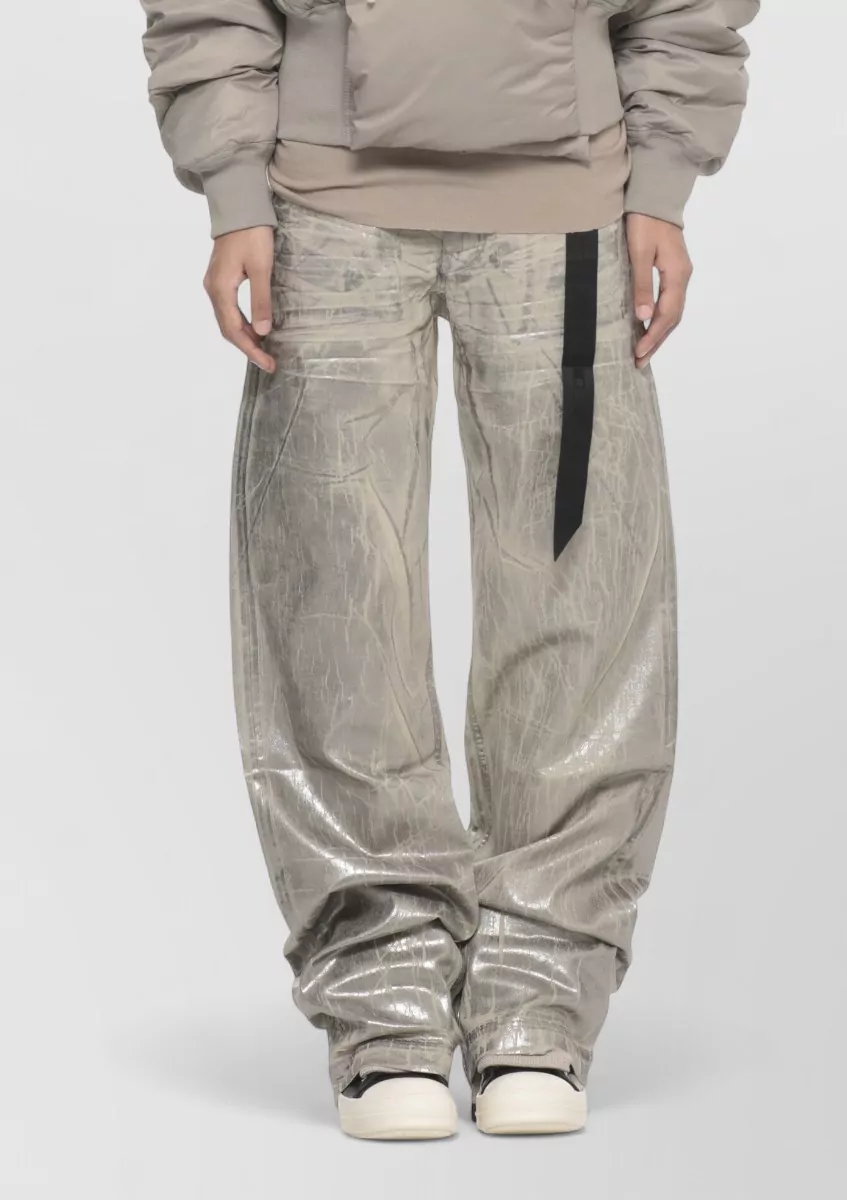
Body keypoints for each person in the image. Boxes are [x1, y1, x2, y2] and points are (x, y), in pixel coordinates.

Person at [139, 0, 758, 1141]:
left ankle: (540, 1003)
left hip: (567, 203)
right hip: (322, 206)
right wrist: (234, 193)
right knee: (336, 610)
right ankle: (384, 1009)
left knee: (576, 609)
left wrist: (662, 184)